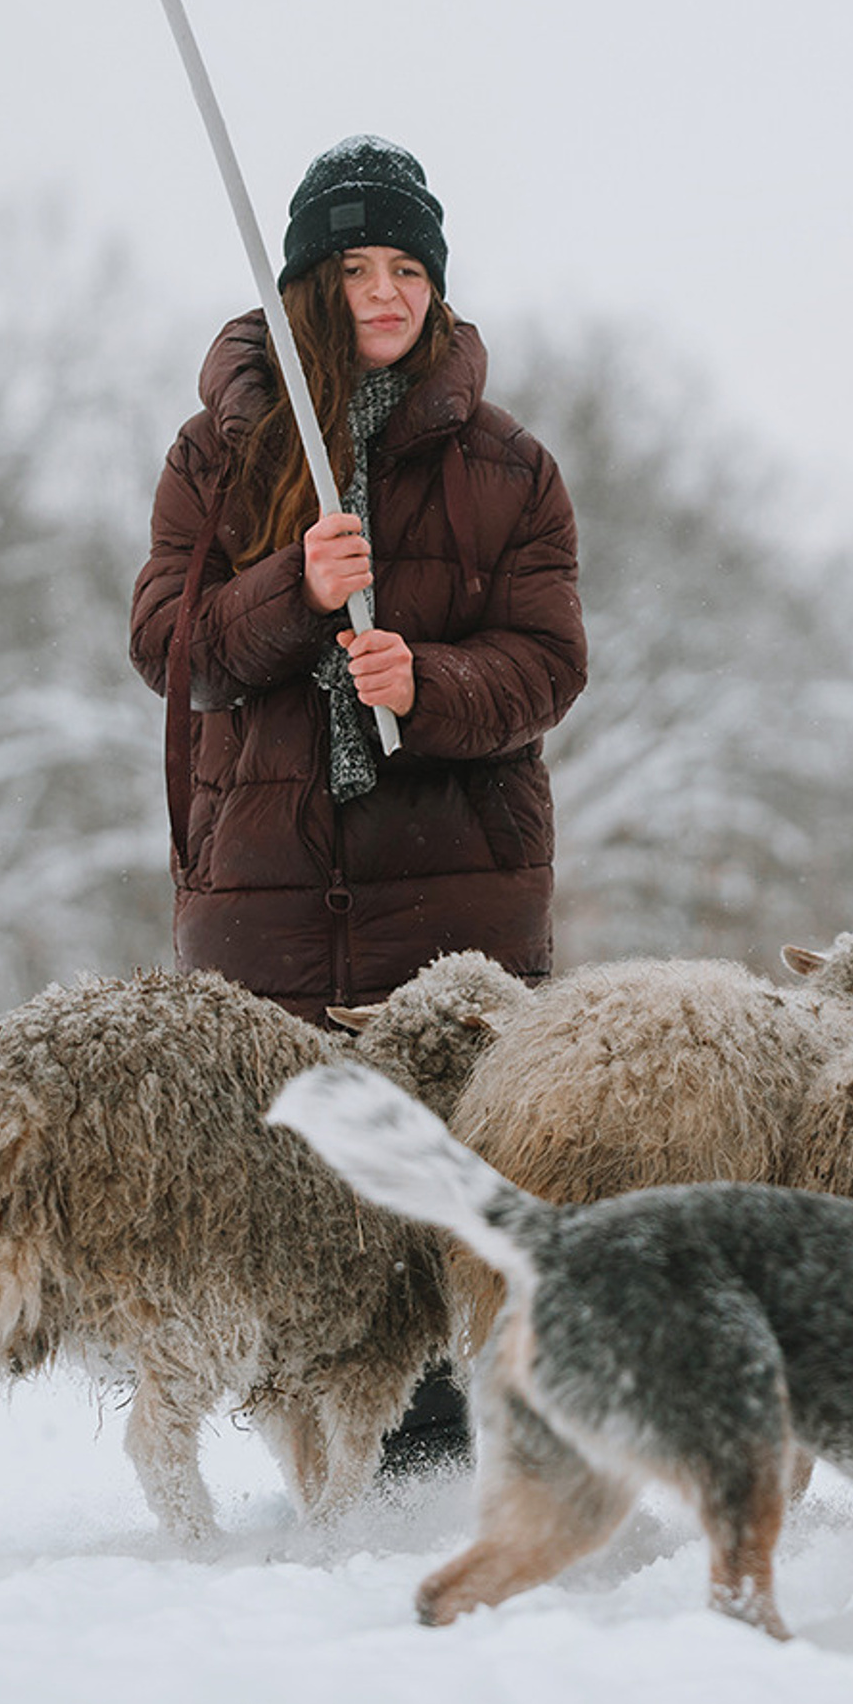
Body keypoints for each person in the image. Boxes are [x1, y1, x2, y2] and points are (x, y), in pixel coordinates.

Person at [131, 134, 588, 1467]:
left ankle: (449, 1496)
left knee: (450, 1216)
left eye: (408, 268)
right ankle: (321, 1508)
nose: (385, 294)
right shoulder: (218, 453)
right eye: (354, 268)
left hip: (453, 916)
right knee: (297, 1219)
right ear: (304, 287)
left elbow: (551, 664)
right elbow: (171, 649)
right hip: (265, 913)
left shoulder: (510, 468)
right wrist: (295, 591)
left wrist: (427, 680)